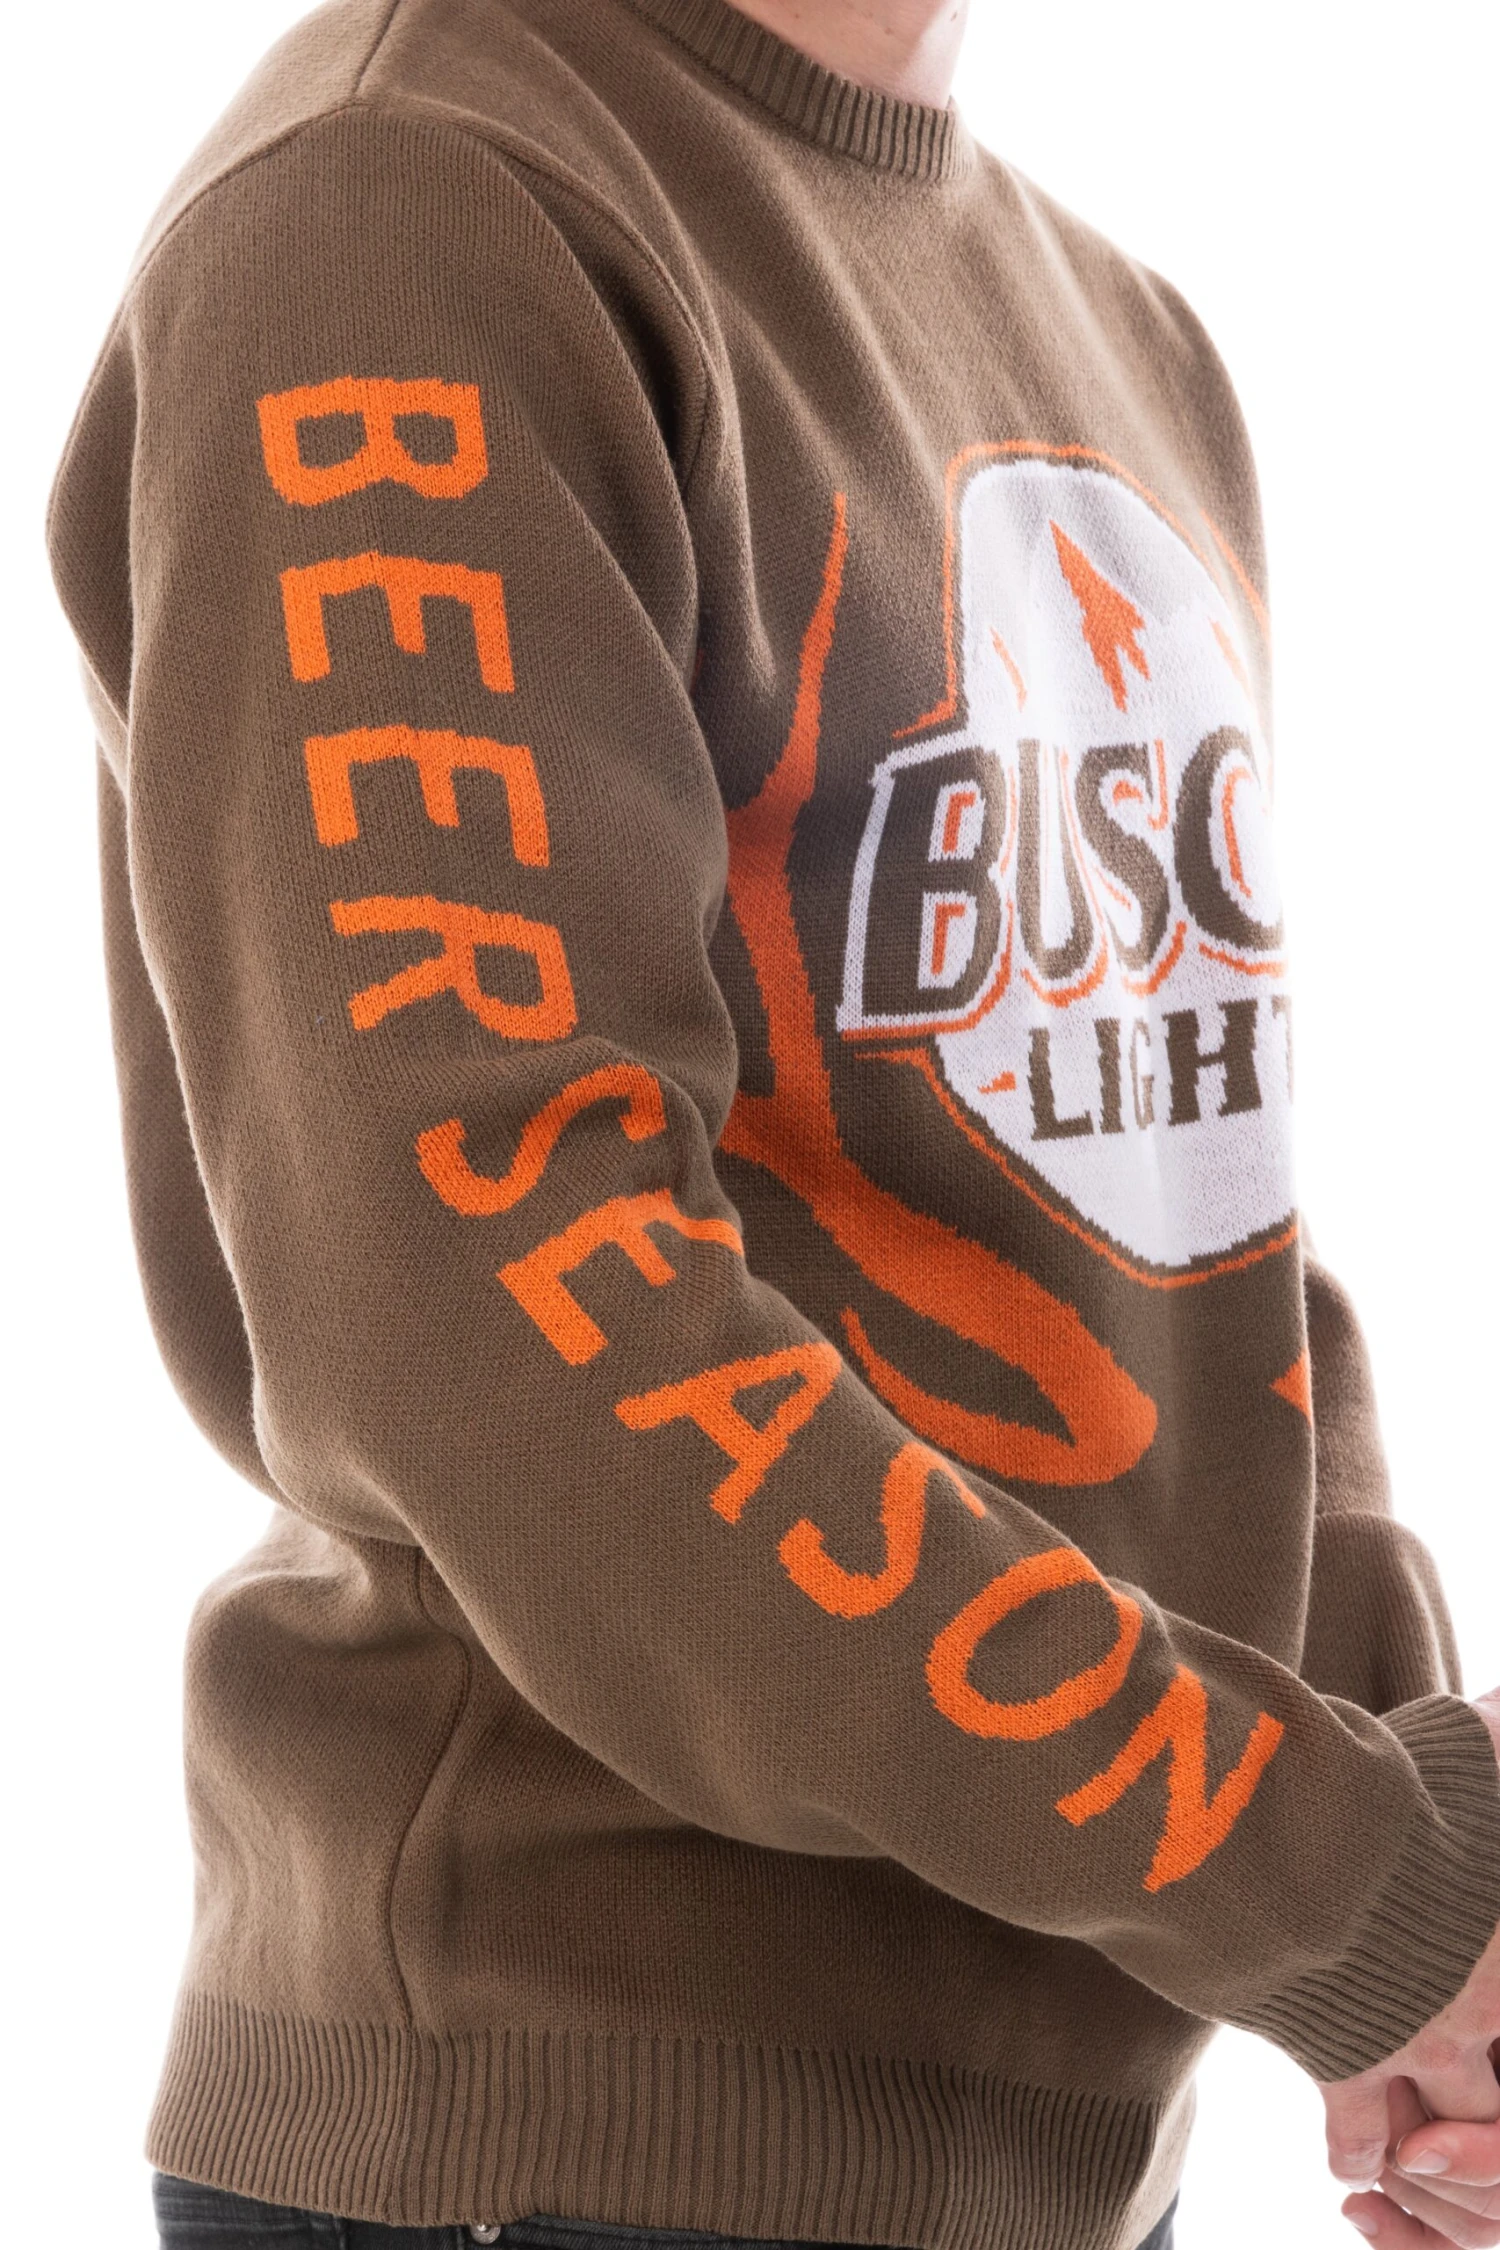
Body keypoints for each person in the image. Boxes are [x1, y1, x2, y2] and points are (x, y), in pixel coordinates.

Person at [45, 0, 1500, 2246]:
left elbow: (1195, 1217)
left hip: (1045, 2154)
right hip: (572, 2139)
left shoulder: (1123, 329)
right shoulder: (408, 212)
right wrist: (1337, 1879)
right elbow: (522, 1331)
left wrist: (1420, 1873)